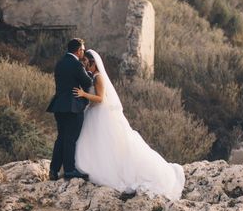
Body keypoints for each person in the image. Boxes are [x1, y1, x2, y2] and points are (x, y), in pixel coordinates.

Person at [73, 50, 185, 200]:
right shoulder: (94, 77)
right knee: (102, 143)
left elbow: (100, 98)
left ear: (94, 63)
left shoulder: (98, 77)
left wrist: (83, 94)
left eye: (87, 62)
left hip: (101, 114)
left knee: (108, 143)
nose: (85, 65)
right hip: (95, 113)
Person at [46, 38, 94, 181]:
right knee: (70, 139)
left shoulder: (60, 63)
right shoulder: (76, 64)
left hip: (59, 106)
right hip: (73, 107)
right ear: (78, 50)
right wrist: (89, 73)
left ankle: (53, 170)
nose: (83, 52)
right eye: (83, 50)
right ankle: (69, 170)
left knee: (61, 138)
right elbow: (88, 82)